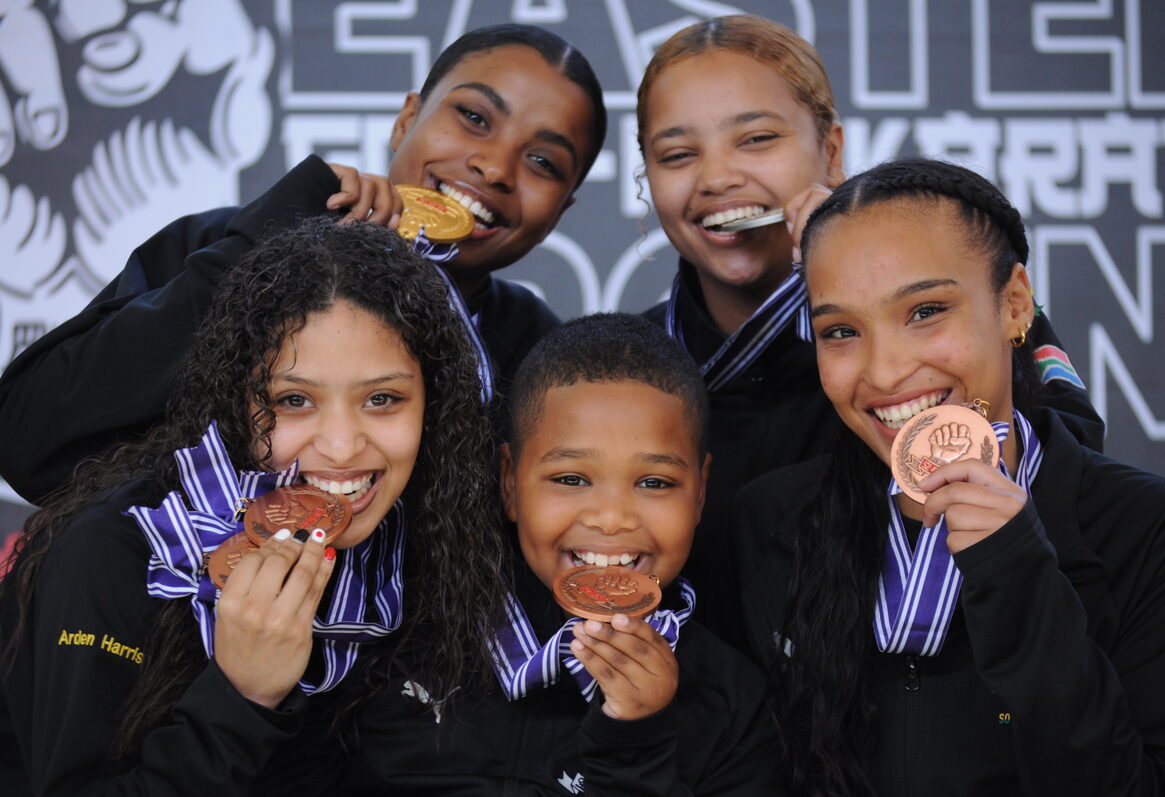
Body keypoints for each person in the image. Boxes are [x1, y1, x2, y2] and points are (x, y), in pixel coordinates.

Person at [732, 157, 1165, 795]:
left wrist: (1018, 577)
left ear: (1013, 306)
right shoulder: (770, 525)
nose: (887, 372)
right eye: (840, 331)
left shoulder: (1158, 534)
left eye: (925, 311)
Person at [0, 217, 509, 795]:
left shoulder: (422, 550)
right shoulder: (116, 554)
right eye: (293, 400)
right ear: (236, 401)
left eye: (383, 399)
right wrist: (242, 695)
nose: (341, 447)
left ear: (432, 408)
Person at [0, 23, 607, 504]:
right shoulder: (225, 243)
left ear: (565, 207)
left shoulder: (535, 351)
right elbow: (28, 440)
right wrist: (271, 240)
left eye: (543, 162)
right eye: (473, 118)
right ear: (405, 120)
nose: (496, 167)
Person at [634, 14, 1102, 637]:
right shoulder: (630, 362)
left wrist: (855, 248)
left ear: (830, 152)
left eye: (756, 140)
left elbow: (1066, 449)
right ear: (645, 174)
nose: (717, 177)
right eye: (678, 154)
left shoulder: (907, 362)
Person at [331, 314, 781, 795]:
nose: (611, 518)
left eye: (655, 483)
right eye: (571, 479)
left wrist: (634, 742)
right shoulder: (395, 627)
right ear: (509, 482)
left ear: (700, 493)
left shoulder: (733, 702)